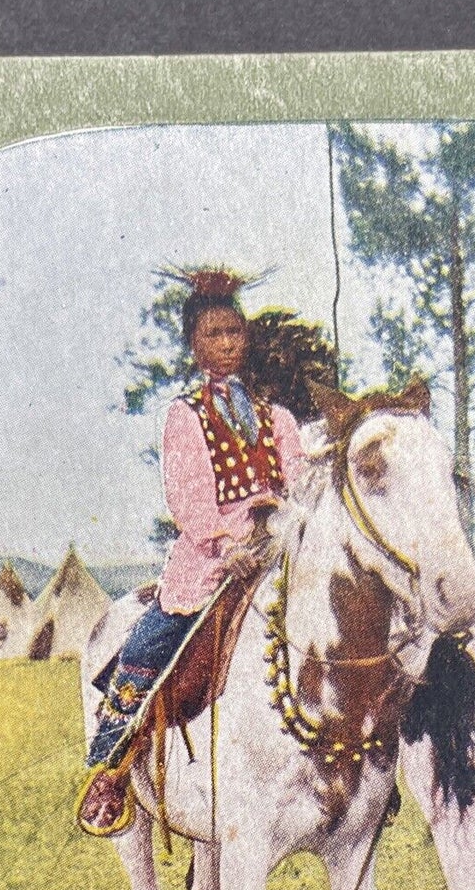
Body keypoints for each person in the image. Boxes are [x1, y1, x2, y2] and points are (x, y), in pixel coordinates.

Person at [76, 269, 306, 836]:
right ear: (194, 344)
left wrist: (280, 529)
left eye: (234, 332)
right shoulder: (186, 415)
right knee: (150, 641)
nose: (227, 343)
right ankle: (112, 761)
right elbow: (188, 499)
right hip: (212, 561)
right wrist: (230, 540)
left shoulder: (279, 418)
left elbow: (300, 488)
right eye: (213, 334)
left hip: (282, 553)